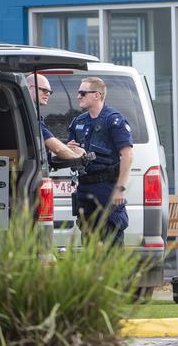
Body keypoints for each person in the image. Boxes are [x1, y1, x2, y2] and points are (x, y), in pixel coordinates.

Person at [66, 77, 133, 245]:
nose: (78, 96)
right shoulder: (78, 121)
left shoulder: (113, 120)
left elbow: (127, 155)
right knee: (88, 239)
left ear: (96, 95)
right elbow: (72, 155)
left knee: (111, 237)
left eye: (82, 93)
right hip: (85, 187)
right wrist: (70, 149)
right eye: (78, 93)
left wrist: (121, 188)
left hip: (107, 187)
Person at [27, 73, 86, 160]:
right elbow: (57, 149)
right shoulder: (29, 116)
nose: (47, 94)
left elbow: (45, 148)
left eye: (49, 92)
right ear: (30, 88)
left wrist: (65, 149)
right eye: (44, 90)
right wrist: (79, 157)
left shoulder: (26, 112)